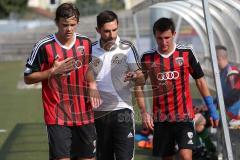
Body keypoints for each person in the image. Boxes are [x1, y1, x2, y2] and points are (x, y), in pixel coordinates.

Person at [24, 3, 101, 160]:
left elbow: (90, 67)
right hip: (57, 115)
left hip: (84, 113)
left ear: (77, 23)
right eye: (64, 25)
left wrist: (93, 85)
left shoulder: (85, 43)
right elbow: (28, 78)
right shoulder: (44, 46)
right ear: (56, 22)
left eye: (73, 25)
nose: (69, 29)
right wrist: (53, 71)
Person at [139, 17, 219, 160]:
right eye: (159, 38)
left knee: (185, 155)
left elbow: (200, 81)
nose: (164, 42)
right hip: (161, 118)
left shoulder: (186, 53)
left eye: (167, 38)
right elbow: (138, 86)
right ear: (155, 36)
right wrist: (144, 112)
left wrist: (212, 110)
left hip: (184, 116)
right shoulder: (147, 57)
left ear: (174, 34)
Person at [91, 10, 146, 160]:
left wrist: (136, 76)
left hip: (123, 113)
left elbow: (142, 79)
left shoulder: (127, 48)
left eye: (114, 30)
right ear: (98, 30)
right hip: (98, 115)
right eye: (107, 31)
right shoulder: (90, 50)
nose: (112, 35)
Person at [216, 45, 240, 125]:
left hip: (234, 113)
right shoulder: (221, 73)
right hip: (227, 110)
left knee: (209, 119)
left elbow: (235, 94)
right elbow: (221, 95)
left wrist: (217, 104)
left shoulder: (232, 72)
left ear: (218, 58)